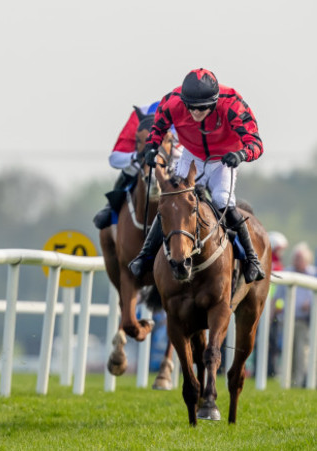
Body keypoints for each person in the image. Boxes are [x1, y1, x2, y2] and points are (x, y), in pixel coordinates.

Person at [128, 68, 266, 284]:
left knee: (222, 201)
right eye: (191, 107)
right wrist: (152, 147)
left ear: (214, 102)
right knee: (174, 200)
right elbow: (158, 127)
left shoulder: (232, 104)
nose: (195, 113)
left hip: (223, 159)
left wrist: (241, 154)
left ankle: (251, 258)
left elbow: (256, 144)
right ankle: (145, 257)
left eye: (201, 109)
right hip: (192, 155)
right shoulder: (172, 102)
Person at [93, 102, 183, 229]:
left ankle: (213, 206)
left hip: (173, 160)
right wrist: (137, 156)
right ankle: (111, 207)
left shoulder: (187, 115)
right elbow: (115, 158)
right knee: (130, 169)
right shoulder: (138, 117)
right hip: (143, 161)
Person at [275, 242, 316, 387]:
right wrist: (277, 307)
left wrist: (310, 304)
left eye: (300, 258)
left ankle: (298, 383)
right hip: (286, 320)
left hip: (304, 321)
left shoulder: (313, 274)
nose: (297, 261)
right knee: (287, 352)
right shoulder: (288, 272)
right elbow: (278, 297)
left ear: (307, 260)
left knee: (300, 353)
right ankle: (287, 382)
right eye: (296, 258)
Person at [267, 231, 288, 376]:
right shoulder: (273, 265)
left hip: (274, 311)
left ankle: (270, 370)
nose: (282, 253)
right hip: (267, 310)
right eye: (280, 249)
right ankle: (268, 371)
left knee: (271, 343)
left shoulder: (277, 264)